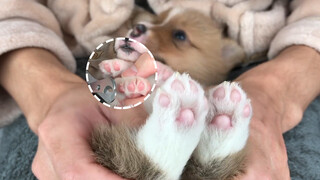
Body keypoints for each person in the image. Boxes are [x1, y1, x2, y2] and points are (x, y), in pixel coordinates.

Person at [0, 0, 319, 179]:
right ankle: (195, 152)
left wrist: (276, 87)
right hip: (70, 61)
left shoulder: (228, 55)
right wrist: (48, 91)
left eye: (178, 36)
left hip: (268, 66)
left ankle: (191, 150)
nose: (149, 31)